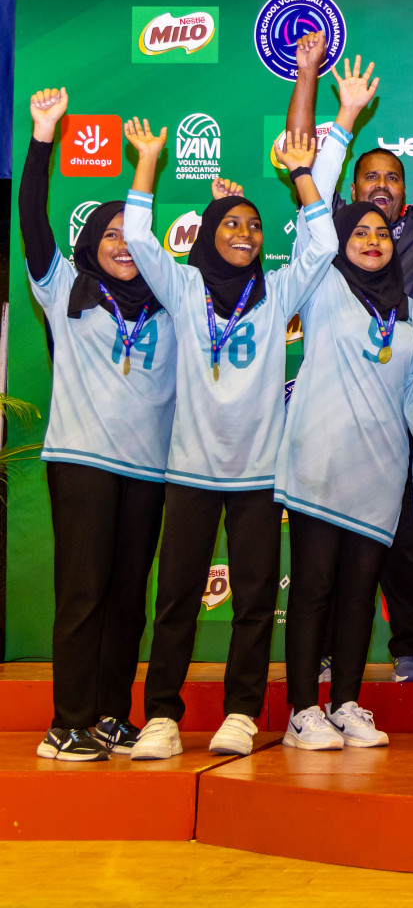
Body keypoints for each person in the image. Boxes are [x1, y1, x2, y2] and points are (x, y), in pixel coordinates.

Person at [122, 120, 337, 760]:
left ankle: (241, 713)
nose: (244, 233)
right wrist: (149, 161)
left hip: (258, 477)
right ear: (209, 237)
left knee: (251, 604)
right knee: (177, 600)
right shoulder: (184, 288)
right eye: (230, 225)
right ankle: (161, 716)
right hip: (189, 471)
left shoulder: (277, 294)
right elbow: (137, 235)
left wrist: (302, 175)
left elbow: (321, 243)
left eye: (252, 226)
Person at [292, 33, 413, 684]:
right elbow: (302, 155)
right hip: (338, 412)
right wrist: (308, 73)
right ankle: (335, 658)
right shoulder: (335, 231)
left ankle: (407, 648)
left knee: (404, 537)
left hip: (407, 407)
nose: (385, 187)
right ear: (353, 188)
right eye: (372, 176)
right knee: (333, 546)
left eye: (394, 178)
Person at [22, 88, 177, 762]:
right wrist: (42, 138)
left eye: (130, 235)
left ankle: (112, 713)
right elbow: (31, 219)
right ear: (91, 242)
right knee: (83, 594)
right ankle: (67, 722)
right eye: (108, 234)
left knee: (127, 599)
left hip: (147, 469)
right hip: (82, 462)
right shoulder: (64, 292)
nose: (121, 245)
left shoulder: (172, 306)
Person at [277, 71, 413, 749]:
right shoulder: (323, 286)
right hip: (319, 470)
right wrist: (343, 119)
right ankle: (303, 708)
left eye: (381, 234)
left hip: (379, 479)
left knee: (361, 595)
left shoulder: (406, 312)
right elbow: (317, 222)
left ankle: (347, 704)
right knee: (311, 589)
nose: (371, 238)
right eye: (358, 230)